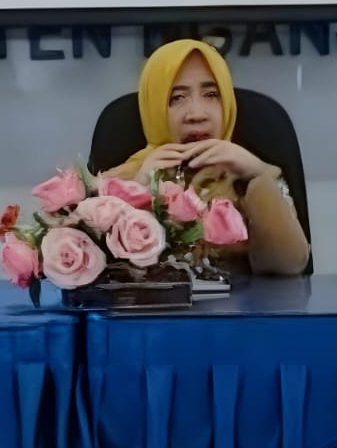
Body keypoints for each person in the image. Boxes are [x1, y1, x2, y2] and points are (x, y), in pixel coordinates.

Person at [105, 39, 310, 276]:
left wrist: (257, 177)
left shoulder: (252, 175)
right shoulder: (119, 183)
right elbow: (103, 279)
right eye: (177, 98)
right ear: (154, 107)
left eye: (211, 94)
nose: (196, 114)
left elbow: (288, 267)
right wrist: (138, 193)